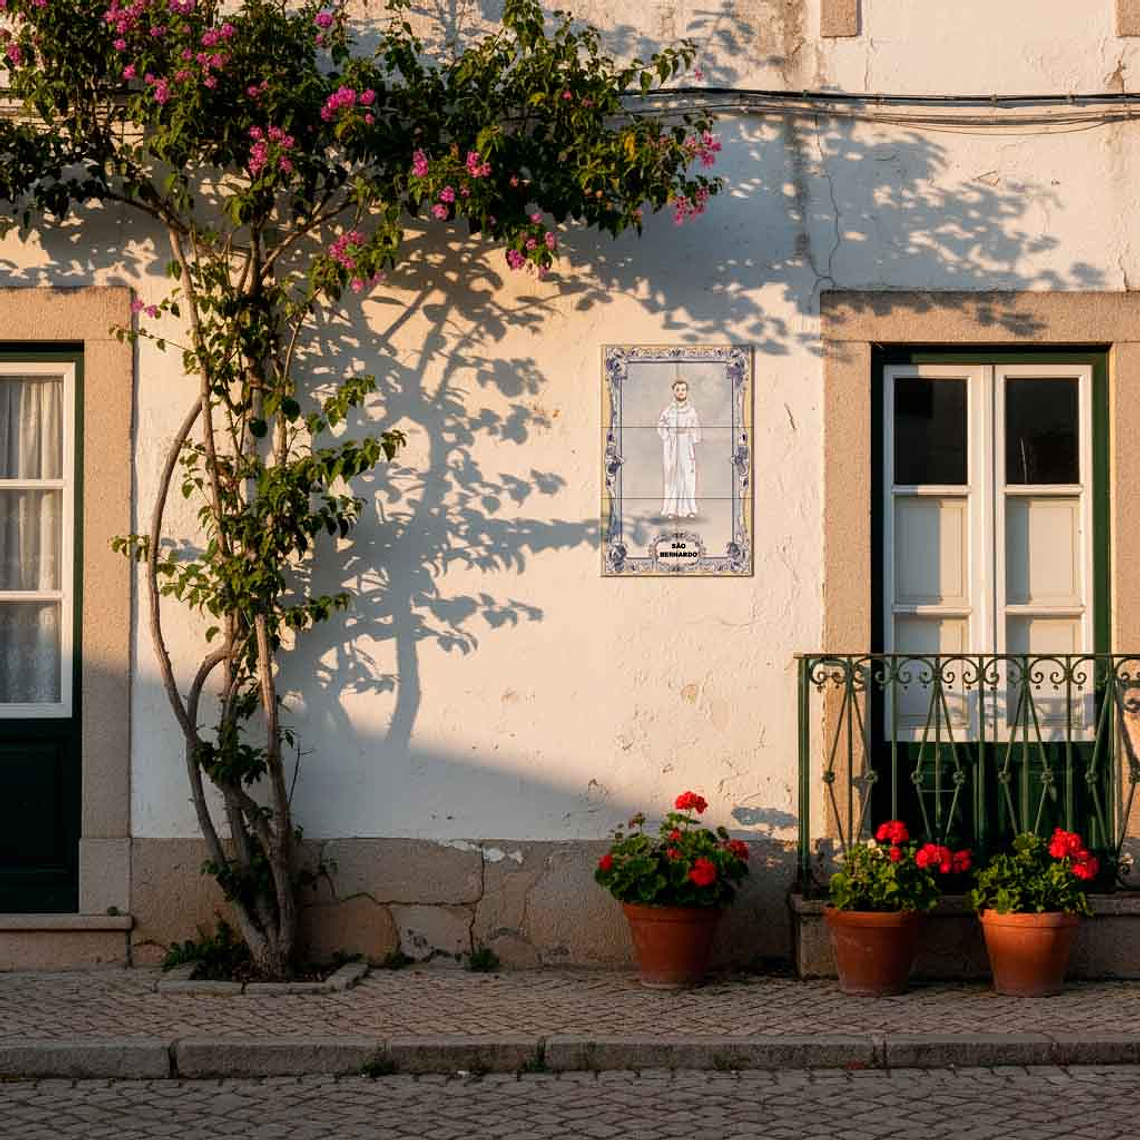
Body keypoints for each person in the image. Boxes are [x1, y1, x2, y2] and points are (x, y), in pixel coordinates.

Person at [657, 377, 701, 518]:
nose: (681, 392)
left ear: (686, 391)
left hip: (685, 444)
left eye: (683, 389)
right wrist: (668, 436)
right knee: (672, 475)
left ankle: (688, 510)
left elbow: (696, 428)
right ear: (674, 392)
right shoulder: (668, 411)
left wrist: (691, 437)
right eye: (678, 390)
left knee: (687, 475)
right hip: (672, 445)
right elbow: (661, 426)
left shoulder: (691, 411)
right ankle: (671, 510)